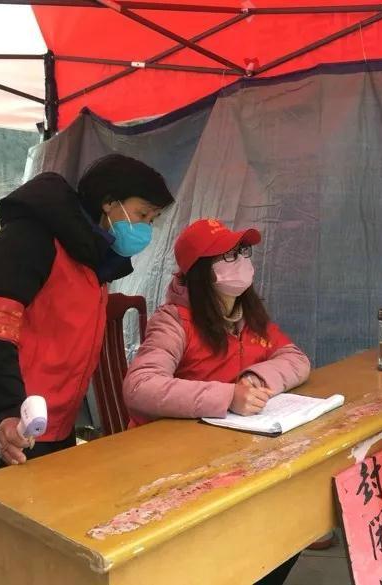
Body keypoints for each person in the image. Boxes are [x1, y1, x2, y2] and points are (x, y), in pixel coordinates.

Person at [0, 154, 174, 585]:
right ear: (110, 202)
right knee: (4, 548)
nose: (145, 229)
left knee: (33, 554)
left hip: (49, 427)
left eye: (152, 220)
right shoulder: (30, 238)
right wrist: (4, 412)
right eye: (142, 215)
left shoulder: (92, 259)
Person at [123, 218, 310, 584]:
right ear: (200, 271)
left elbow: (296, 358)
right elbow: (140, 385)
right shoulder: (174, 321)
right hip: (172, 466)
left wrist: (255, 379)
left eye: (243, 251)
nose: (241, 261)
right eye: (227, 256)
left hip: (231, 455)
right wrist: (227, 396)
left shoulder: (248, 317)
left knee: (290, 525)